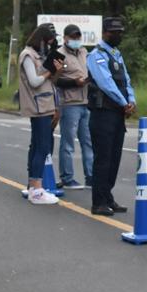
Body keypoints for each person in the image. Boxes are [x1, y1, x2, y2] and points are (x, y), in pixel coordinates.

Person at [86, 17, 136, 216]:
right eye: (115, 32)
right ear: (105, 33)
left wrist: (131, 100)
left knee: (114, 158)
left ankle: (108, 197)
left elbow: (126, 80)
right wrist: (124, 103)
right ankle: (98, 202)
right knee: (103, 159)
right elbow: (106, 83)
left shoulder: (116, 54)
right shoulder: (96, 55)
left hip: (117, 114)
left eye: (121, 32)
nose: (119, 35)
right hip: (103, 114)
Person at [19, 24, 63, 205]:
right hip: (38, 106)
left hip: (45, 105)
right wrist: (49, 72)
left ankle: (33, 186)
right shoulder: (28, 55)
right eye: (49, 41)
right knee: (42, 147)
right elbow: (35, 81)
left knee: (38, 145)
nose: (51, 44)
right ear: (42, 39)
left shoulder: (40, 55)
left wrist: (56, 71)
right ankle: (36, 189)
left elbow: (49, 81)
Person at [54, 24, 94, 190]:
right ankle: (67, 177)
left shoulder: (84, 52)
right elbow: (55, 80)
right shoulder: (59, 55)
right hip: (69, 103)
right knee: (68, 142)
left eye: (78, 37)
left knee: (88, 142)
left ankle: (90, 176)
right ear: (65, 38)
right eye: (72, 37)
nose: (76, 40)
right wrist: (73, 82)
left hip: (86, 102)